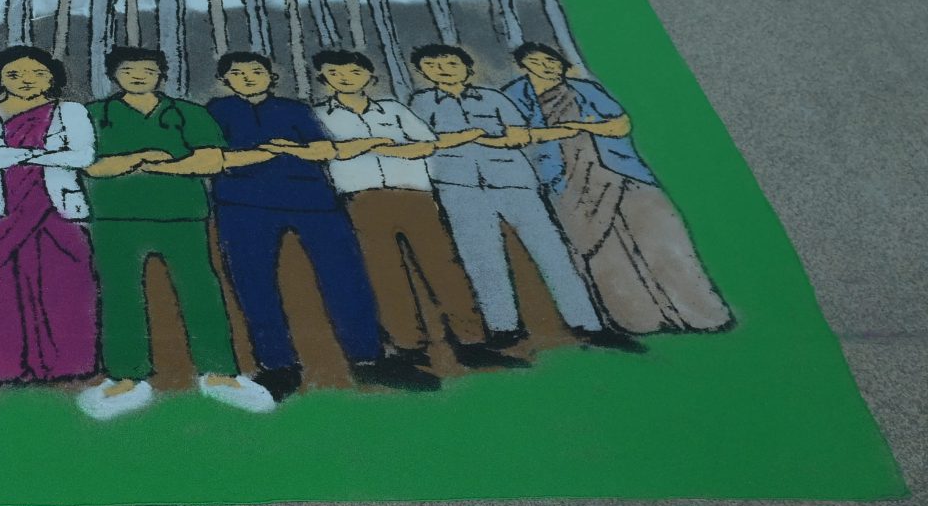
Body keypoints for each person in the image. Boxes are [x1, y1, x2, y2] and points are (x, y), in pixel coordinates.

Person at [204, 51, 436, 397]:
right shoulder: (216, 110)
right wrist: (264, 154)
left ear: (272, 76)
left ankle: (368, 358)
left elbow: (324, 150)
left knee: (346, 276)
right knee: (254, 283)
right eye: (237, 73)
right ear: (225, 81)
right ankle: (278, 366)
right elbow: (212, 157)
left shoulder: (295, 109)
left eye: (256, 71)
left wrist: (291, 150)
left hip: (312, 200)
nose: (248, 77)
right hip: (244, 205)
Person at [77, 46, 275, 420]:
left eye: (148, 70)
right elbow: (90, 165)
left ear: (161, 75)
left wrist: (159, 166)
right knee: (120, 294)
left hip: (183, 215)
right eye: (129, 69)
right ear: (114, 75)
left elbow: (210, 160)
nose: (139, 76)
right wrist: (141, 158)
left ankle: (220, 373)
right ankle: (126, 377)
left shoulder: (187, 112)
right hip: (115, 217)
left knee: (201, 290)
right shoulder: (94, 114)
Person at [408, 44, 643, 354]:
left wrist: (470, 138)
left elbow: (519, 135)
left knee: (552, 252)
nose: (443, 70)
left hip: (514, 182)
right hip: (458, 187)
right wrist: (475, 135)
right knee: (481, 257)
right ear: (423, 72)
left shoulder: (493, 98)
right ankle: (503, 327)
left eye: (451, 63)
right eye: (432, 65)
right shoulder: (421, 102)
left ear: (467, 67)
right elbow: (423, 142)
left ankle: (588, 324)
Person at [308, 49, 523, 373]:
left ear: (370, 76)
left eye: (353, 72)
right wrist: (379, 146)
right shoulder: (319, 115)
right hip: (361, 199)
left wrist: (370, 146)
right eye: (334, 73)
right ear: (324, 79)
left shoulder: (394, 109)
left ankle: (472, 342)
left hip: (414, 196)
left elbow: (426, 144)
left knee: (444, 267)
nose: (345, 78)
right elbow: (328, 152)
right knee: (384, 273)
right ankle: (409, 345)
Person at [502, 42, 732, 334]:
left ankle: (701, 313)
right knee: (600, 250)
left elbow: (619, 125)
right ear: (523, 66)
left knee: (660, 233)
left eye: (552, 61)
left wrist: (580, 128)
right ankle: (637, 318)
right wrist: (567, 129)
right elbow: (515, 137)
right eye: (537, 61)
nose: (548, 66)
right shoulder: (513, 96)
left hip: (618, 170)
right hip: (563, 182)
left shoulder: (584, 90)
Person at [0, 46, 100, 385]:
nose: (26, 81)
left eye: (37, 73)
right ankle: (4, 367)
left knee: (65, 283)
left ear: (52, 78)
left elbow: (81, 156)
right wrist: (39, 154)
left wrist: (10, 155)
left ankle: (68, 364)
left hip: (54, 210)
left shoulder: (71, 111)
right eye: (14, 74)